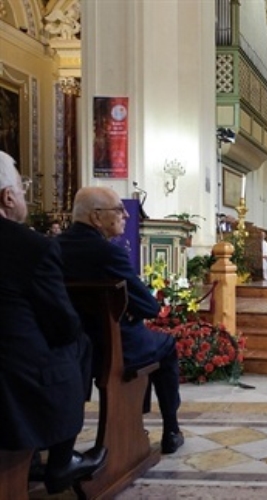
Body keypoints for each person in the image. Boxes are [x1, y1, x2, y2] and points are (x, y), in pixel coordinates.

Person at [0, 151, 106, 494]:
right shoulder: (30, 246)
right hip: (12, 382)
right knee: (78, 343)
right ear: (7, 197)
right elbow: (62, 323)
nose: (24, 194)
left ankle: (35, 455)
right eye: (22, 187)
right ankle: (60, 459)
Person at [57, 187, 185, 455]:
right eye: (118, 209)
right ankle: (171, 430)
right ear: (96, 217)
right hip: (116, 346)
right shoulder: (107, 253)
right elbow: (150, 307)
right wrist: (130, 310)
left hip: (70, 347)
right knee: (167, 345)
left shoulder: (53, 247)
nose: (126, 215)